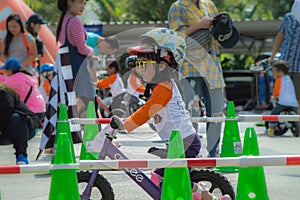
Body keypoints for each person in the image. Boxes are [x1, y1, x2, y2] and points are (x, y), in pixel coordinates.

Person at [123, 28, 231, 200]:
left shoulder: (164, 88)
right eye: (138, 65)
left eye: (143, 64)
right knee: (159, 177)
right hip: (179, 143)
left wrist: (125, 126)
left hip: (185, 143)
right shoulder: (160, 86)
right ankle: (207, 196)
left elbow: (146, 110)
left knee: (167, 180)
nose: (139, 70)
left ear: (162, 65)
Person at [168, 0, 226, 157]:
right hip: (190, 67)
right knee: (190, 112)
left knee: (216, 112)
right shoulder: (177, 7)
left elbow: (217, 33)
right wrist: (199, 25)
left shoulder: (209, 5)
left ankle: (214, 152)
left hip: (212, 67)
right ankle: (191, 153)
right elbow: (174, 37)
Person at [56, 0, 100, 117]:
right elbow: (81, 48)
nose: (83, 6)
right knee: (90, 102)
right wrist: (92, 54)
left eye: (85, 3)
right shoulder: (75, 21)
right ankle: (92, 133)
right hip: (78, 67)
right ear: (69, 2)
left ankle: (74, 132)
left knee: (69, 102)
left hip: (66, 65)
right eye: (80, 2)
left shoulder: (64, 20)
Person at [269, 0, 300, 115]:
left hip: (298, 67)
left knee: (298, 98)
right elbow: (279, 36)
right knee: (279, 91)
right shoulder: (288, 18)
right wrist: (272, 56)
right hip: (284, 62)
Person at [0, 82, 41, 165]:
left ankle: (21, 155)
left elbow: (6, 111)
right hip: (4, 129)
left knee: (16, 118)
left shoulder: (3, 92)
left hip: (25, 127)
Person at [266, 61, 298, 136]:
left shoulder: (279, 80)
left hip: (283, 103)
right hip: (294, 103)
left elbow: (276, 92)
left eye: (274, 72)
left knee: (274, 113)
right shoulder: (292, 79)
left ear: (280, 73)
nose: (273, 74)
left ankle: (271, 128)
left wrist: (274, 97)